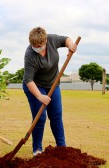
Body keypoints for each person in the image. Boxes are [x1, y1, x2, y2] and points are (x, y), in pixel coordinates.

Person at [23, 27, 78, 156]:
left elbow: (66, 40)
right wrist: (40, 96)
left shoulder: (52, 40)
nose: (37, 47)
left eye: (39, 45)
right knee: (40, 118)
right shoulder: (30, 54)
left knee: (56, 115)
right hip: (35, 86)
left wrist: (71, 46)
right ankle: (37, 150)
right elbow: (29, 80)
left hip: (53, 84)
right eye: (34, 45)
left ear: (46, 40)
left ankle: (62, 148)